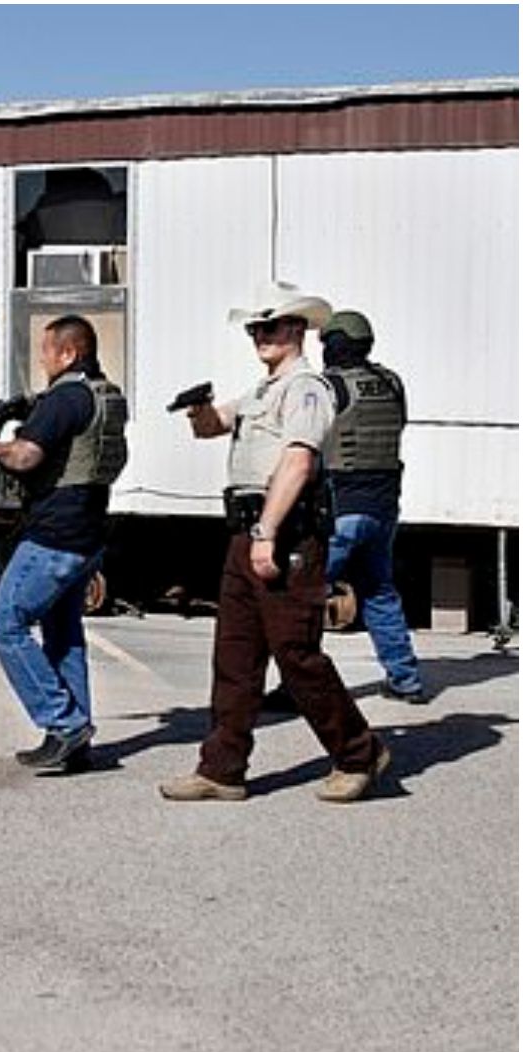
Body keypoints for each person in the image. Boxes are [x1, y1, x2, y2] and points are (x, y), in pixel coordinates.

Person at [160, 283, 390, 803]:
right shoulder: (264, 389)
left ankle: (360, 752)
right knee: (235, 656)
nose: (260, 336)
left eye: (270, 327)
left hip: (284, 533)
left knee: (295, 653)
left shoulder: (306, 387)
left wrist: (266, 532)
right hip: (247, 530)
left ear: (296, 330)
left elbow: (299, 461)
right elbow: (214, 425)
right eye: (254, 329)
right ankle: (221, 769)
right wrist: (197, 411)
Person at [0, 314, 128, 769]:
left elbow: (25, 456)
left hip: (54, 535)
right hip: (89, 531)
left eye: (46, 351)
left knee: (6, 626)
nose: (42, 359)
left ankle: (64, 723)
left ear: (69, 353)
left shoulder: (65, 399)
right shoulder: (105, 395)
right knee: (63, 635)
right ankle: (76, 744)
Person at [319, 309, 427, 701]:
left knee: (302, 598)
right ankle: (406, 679)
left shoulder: (329, 386)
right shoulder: (392, 382)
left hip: (341, 510)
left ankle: (298, 687)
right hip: (383, 508)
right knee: (379, 592)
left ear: (335, 345)